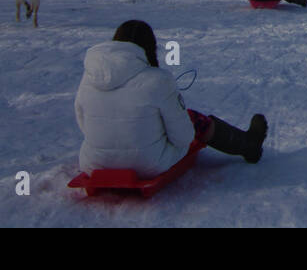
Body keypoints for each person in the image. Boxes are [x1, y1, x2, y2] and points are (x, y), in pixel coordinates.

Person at [74, 20, 267, 176]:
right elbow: (183, 137)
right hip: (148, 164)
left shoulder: (89, 77)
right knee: (191, 119)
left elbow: (83, 122)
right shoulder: (158, 80)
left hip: (95, 164)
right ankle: (249, 145)